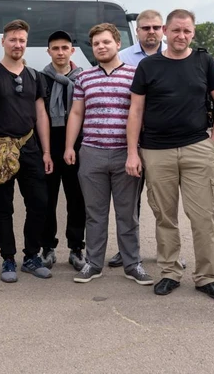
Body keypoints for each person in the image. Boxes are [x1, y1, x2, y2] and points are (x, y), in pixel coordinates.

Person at [126, 9, 214, 301]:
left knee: (205, 217)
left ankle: (207, 277)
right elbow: (136, 111)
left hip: (197, 148)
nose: (181, 36)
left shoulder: (204, 62)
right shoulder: (148, 66)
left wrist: (213, 142)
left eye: (186, 31)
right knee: (164, 217)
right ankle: (170, 272)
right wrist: (132, 152)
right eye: (176, 30)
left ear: (193, 34)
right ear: (165, 31)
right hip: (156, 151)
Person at [65, 24, 152, 285]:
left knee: (127, 214)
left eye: (106, 42)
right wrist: (69, 146)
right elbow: (77, 113)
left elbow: (140, 113)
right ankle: (93, 263)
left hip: (126, 154)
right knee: (95, 213)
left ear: (117, 44)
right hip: (92, 153)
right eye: (96, 44)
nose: (101, 47)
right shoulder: (84, 78)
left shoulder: (135, 75)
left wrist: (136, 152)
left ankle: (132, 263)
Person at [0, 19, 53, 283]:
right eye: (13, 40)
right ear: (3, 42)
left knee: (39, 203)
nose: (17, 44)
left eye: (22, 40)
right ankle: (8, 258)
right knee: (3, 207)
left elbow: (41, 115)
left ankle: (31, 256)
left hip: (29, 148)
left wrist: (46, 152)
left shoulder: (35, 76)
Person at [109, 10, 166, 268]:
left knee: (164, 199)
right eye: (146, 28)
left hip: (162, 139)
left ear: (162, 29)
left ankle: (167, 250)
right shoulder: (123, 58)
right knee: (130, 202)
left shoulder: (174, 54)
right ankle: (128, 251)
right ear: (137, 31)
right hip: (131, 138)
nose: (151, 32)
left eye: (155, 27)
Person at [40, 30, 86, 271]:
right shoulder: (40, 79)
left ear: (72, 50)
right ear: (48, 51)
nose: (60, 52)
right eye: (55, 48)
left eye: (64, 48)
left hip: (76, 145)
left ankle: (76, 247)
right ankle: (47, 247)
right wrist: (44, 150)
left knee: (77, 199)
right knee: (47, 199)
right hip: (48, 144)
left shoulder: (83, 78)